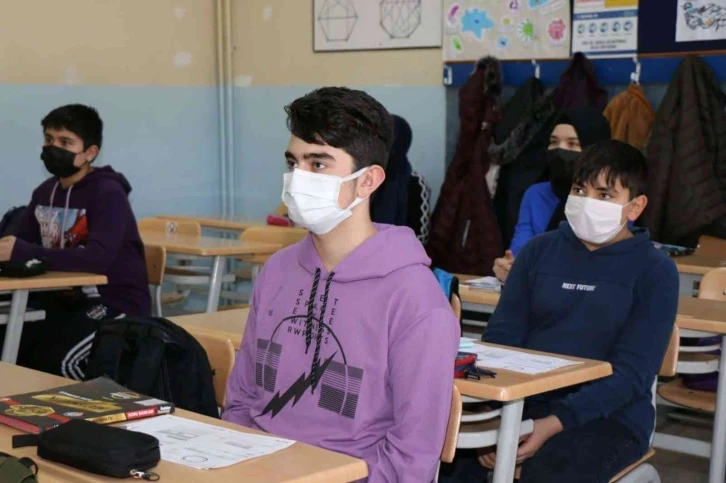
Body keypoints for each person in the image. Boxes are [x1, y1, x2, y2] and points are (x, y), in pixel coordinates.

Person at [222, 87, 459, 482]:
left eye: (318, 164)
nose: (298, 178)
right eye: (293, 162)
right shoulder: (278, 270)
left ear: (367, 181)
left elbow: (411, 459)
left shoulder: (415, 300)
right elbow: (241, 400)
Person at [482, 140, 678, 482]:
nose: (587, 202)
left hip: (610, 417)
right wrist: (490, 415)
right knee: (449, 459)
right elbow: (501, 340)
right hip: (521, 404)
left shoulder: (655, 271)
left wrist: (552, 424)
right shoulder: (537, 253)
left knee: (551, 470)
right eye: (579, 190)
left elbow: (631, 375)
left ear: (635, 207)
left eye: (604, 195)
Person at [0, 104, 150, 379]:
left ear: (89, 153)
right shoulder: (44, 192)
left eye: (65, 142)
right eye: (49, 139)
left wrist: (21, 251)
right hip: (61, 300)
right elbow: (22, 246)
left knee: (59, 362)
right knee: (10, 343)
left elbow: (97, 259)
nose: (53, 148)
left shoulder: (108, 193)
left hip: (114, 300)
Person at [493, 108, 611, 282]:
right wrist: (507, 266)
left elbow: (604, 263)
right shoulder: (536, 194)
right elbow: (520, 252)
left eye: (572, 144)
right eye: (553, 142)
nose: (559, 150)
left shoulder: (611, 199)